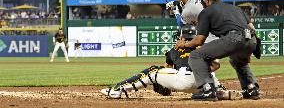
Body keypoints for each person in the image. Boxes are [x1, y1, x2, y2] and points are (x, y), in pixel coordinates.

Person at [100, 25, 238, 99]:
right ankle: (221, 91)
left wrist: (163, 86)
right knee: (209, 73)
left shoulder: (174, 50)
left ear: (181, 38)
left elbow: (167, 69)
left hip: (185, 82)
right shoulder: (202, 47)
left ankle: (117, 90)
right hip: (206, 85)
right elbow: (216, 64)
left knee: (153, 70)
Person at [175, 0, 260, 101]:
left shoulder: (206, 12)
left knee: (196, 56)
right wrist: (248, 49)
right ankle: (251, 88)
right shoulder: (235, 8)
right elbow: (252, 28)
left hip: (233, 38)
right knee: (237, 60)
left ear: (208, 0)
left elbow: (199, 41)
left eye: (204, 0)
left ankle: (208, 89)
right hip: (251, 39)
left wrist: (183, 44)